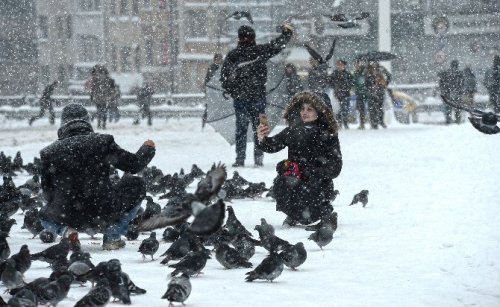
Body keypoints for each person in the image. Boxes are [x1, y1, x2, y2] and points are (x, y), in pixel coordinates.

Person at [39, 103, 156, 250]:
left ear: (62, 124)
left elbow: (47, 193)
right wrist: (148, 148)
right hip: (103, 211)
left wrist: (65, 204)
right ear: (87, 121)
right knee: (136, 183)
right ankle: (113, 236)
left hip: (66, 214)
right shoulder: (102, 142)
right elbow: (133, 166)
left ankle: (67, 232)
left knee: (43, 214)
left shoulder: (48, 152)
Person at [256, 92, 342, 227]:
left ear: (319, 112)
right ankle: (294, 214)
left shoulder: (328, 134)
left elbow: (335, 168)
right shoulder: (293, 131)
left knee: (311, 197)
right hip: (296, 182)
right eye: (302, 108)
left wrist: (312, 171)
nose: (304, 112)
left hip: (319, 185)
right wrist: (262, 138)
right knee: (281, 182)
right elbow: (272, 146)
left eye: (310, 109)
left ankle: (322, 212)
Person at [220, 23, 293, 167]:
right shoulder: (260, 51)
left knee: (241, 130)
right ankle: (258, 157)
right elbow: (277, 45)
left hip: (240, 99)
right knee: (259, 129)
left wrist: (233, 89)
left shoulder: (233, 55)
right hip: (258, 97)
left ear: (239, 38)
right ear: (254, 37)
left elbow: (224, 77)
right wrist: (287, 33)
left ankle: (240, 159)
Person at [365, 62, 391, 129]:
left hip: (380, 92)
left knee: (380, 107)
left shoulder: (381, 71)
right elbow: (366, 83)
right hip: (371, 93)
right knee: (372, 108)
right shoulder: (368, 72)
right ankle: (374, 123)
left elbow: (389, 76)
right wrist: (371, 86)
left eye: (375, 63)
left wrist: (384, 83)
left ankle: (381, 121)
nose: (374, 65)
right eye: (372, 64)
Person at [438, 60, 465, 124]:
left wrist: (444, 90)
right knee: (457, 108)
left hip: (448, 93)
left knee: (448, 108)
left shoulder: (446, 73)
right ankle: (457, 120)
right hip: (457, 93)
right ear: (457, 65)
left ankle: (448, 120)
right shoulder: (460, 73)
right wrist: (460, 91)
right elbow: (463, 84)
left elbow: (441, 82)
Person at [90, 65, 116, 129]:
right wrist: (111, 97)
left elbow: (93, 89)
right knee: (104, 111)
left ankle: (99, 123)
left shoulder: (96, 80)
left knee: (99, 110)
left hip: (98, 98)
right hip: (105, 98)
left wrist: (92, 96)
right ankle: (104, 124)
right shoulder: (109, 80)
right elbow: (113, 89)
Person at [330, 59, 353, 129]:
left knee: (345, 109)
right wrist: (335, 86)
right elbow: (330, 83)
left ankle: (345, 122)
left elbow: (351, 83)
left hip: (345, 94)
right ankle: (339, 123)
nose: (339, 66)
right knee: (338, 110)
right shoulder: (334, 74)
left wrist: (345, 87)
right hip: (337, 95)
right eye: (338, 65)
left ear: (344, 66)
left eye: (341, 65)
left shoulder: (348, 74)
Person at [352, 59, 369, 129]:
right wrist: (354, 87)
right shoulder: (356, 73)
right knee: (360, 108)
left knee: (368, 108)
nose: (356, 66)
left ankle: (373, 123)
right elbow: (354, 82)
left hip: (366, 93)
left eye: (357, 64)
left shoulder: (365, 71)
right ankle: (362, 124)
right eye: (355, 65)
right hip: (359, 93)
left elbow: (367, 81)